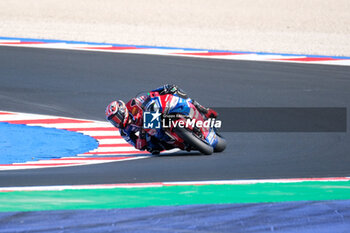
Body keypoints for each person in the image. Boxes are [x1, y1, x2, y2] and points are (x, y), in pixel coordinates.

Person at [105, 84, 217, 154]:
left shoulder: (133, 104)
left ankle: (202, 109)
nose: (116, 122)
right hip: (150, 131)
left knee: (173, 89)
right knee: (153, 149)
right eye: (113, 121)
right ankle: (182, 143)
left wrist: (163, 90)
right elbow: (138, 146)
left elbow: (150, 95)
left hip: (155, 114)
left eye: (116, 118)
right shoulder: (124, 132)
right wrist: (142, 136)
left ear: (123, 111)